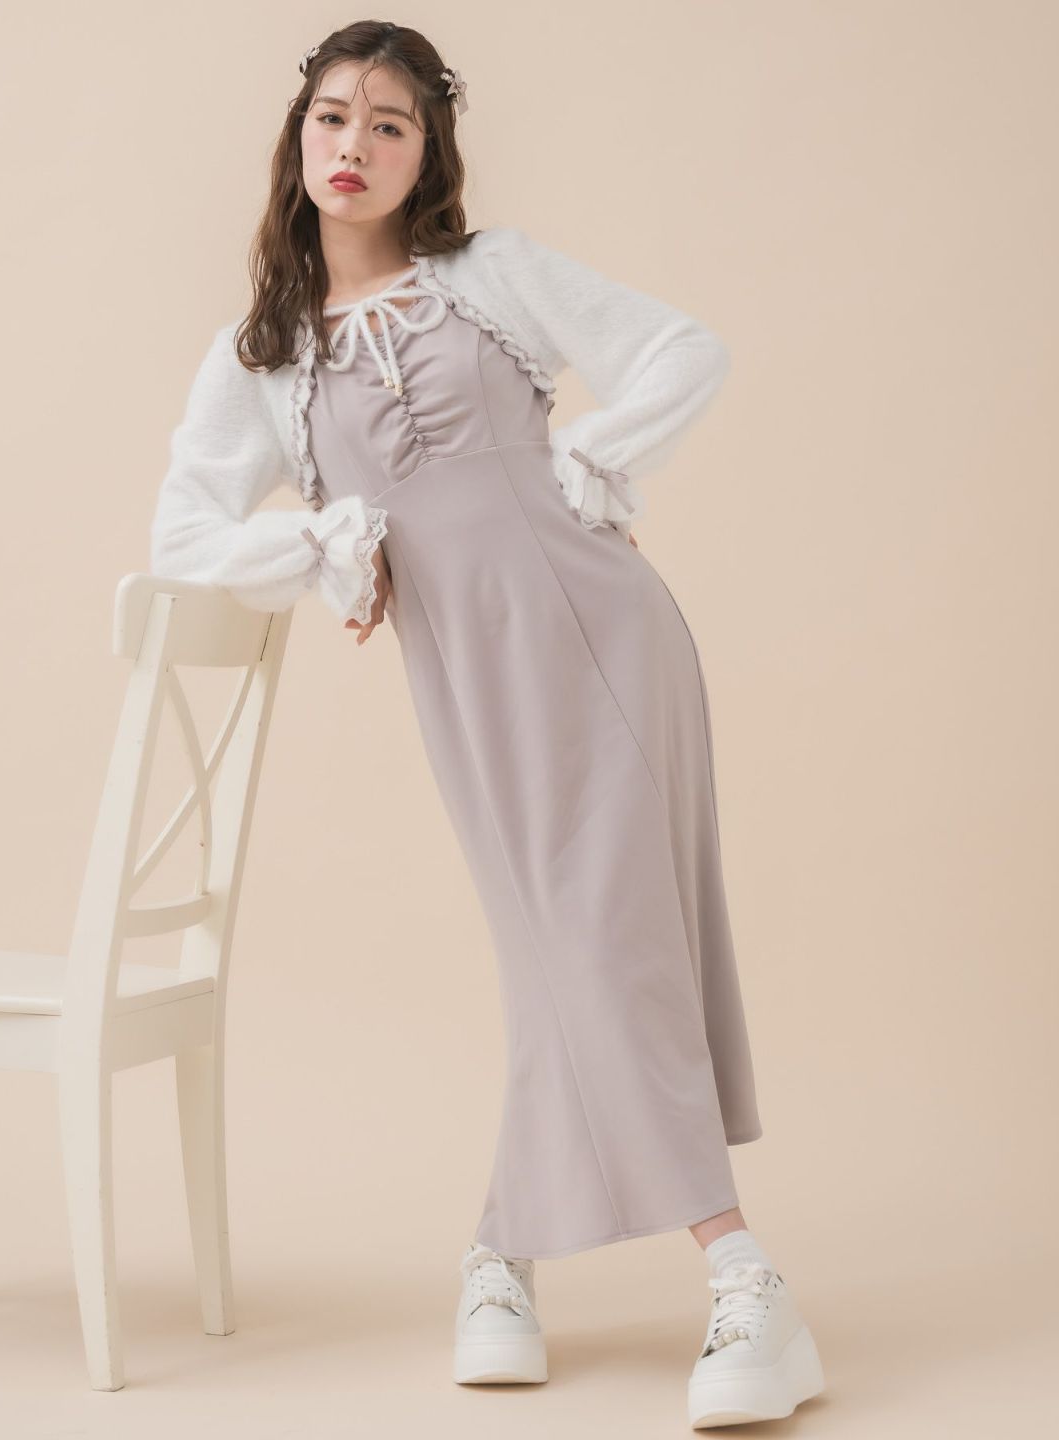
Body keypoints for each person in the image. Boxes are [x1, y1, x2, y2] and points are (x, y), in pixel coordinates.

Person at [149, 20, 825, 1429]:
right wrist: (325, 542)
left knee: (603, 935)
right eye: (334, 116)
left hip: (605, 636)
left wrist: (587, 454)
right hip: (465, 680)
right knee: (551, 946)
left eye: (390, 124)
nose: (355, 145)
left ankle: (743, 1278)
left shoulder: (489, 274)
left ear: (428, 154)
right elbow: (185, 535)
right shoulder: (262, 356)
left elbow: (682, 350)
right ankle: (500, 1252)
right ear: (297, 137)